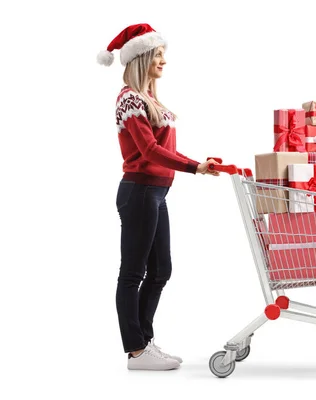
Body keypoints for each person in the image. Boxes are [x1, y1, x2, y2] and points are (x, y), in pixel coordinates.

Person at [97, 23, 220, 371]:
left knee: (161, 269)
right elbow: (149, 151)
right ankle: (136, 351)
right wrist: (195, 166)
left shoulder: (151, 100)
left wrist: (196, 166)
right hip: (139, 191)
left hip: (156, 193)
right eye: (158, 54)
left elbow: (160, 149)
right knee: (132, 273)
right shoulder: (130, 99)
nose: (164, 60)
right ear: (142, 57)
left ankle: (144, 342)